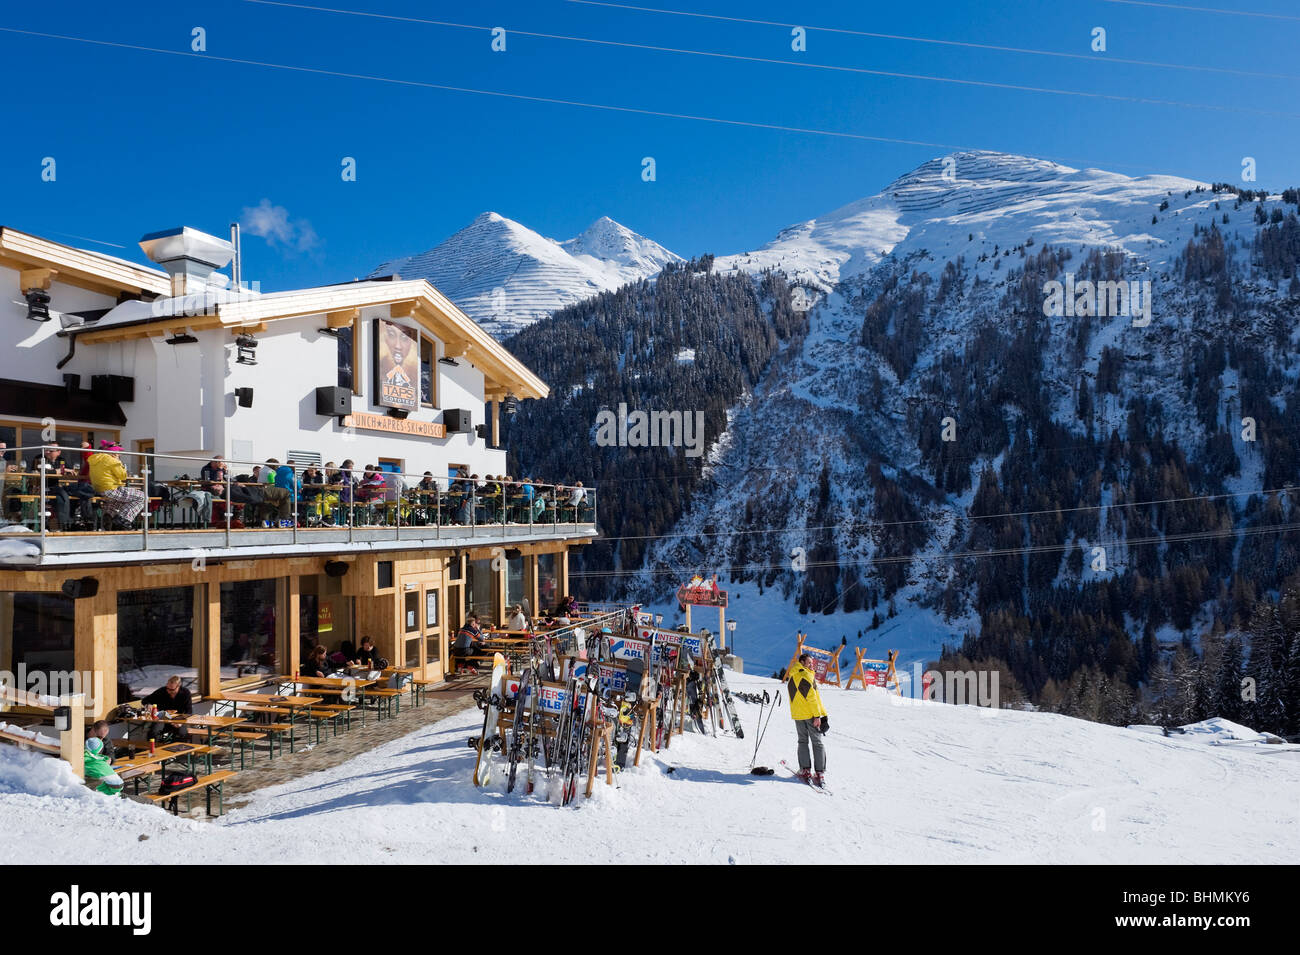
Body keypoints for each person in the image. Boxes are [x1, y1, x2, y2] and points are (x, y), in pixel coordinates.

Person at [784, 652, 828, 787]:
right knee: (817, 742)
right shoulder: (805, 675)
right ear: (801, 662)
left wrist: (822, 713)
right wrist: (817, 715)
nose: (811, 665)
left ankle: (805, 770)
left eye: (812, 663)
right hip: (809, 715)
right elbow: (812, 698)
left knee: (802, 741)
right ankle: (819, 773)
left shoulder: (792, 675)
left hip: (798, 715)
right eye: (809, 662)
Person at [89, 441, 147, 529]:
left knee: (118, 499)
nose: (119, 454)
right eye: (118, 452)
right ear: (113, 452)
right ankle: (123, 519)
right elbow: (123, 476)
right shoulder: (113, 461)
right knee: (143, 497)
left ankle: (109, 514)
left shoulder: (94, 459)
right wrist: (119, 463)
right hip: (111, 489)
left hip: (98, 489)